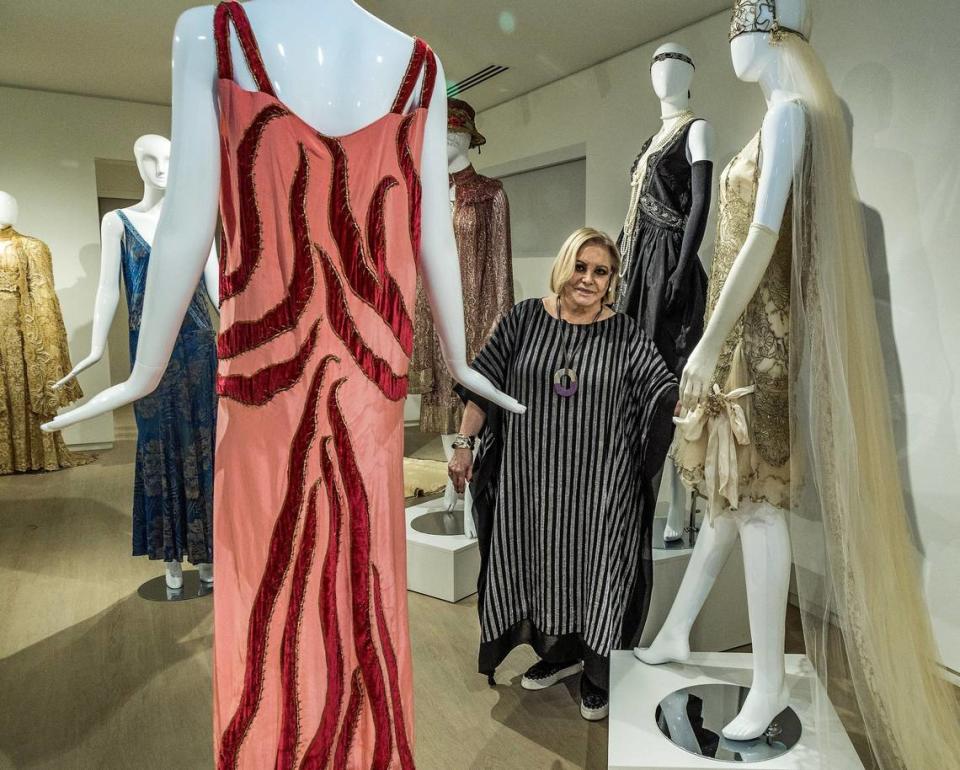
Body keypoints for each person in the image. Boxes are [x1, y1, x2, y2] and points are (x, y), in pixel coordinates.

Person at [448, 227, 677, 720]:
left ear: (611, 280)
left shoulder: (625, 334)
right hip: (531, 487)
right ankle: (556, 656)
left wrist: (697, 404)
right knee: (537, 569)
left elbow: (663, 390)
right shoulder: (525, 318)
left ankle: (596, 674)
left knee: (597, 576)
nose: (588, 280)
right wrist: (464, 444)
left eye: (601, 272)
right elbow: (483, 383)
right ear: (564, 263)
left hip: (599, 490)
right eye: (581, 266)